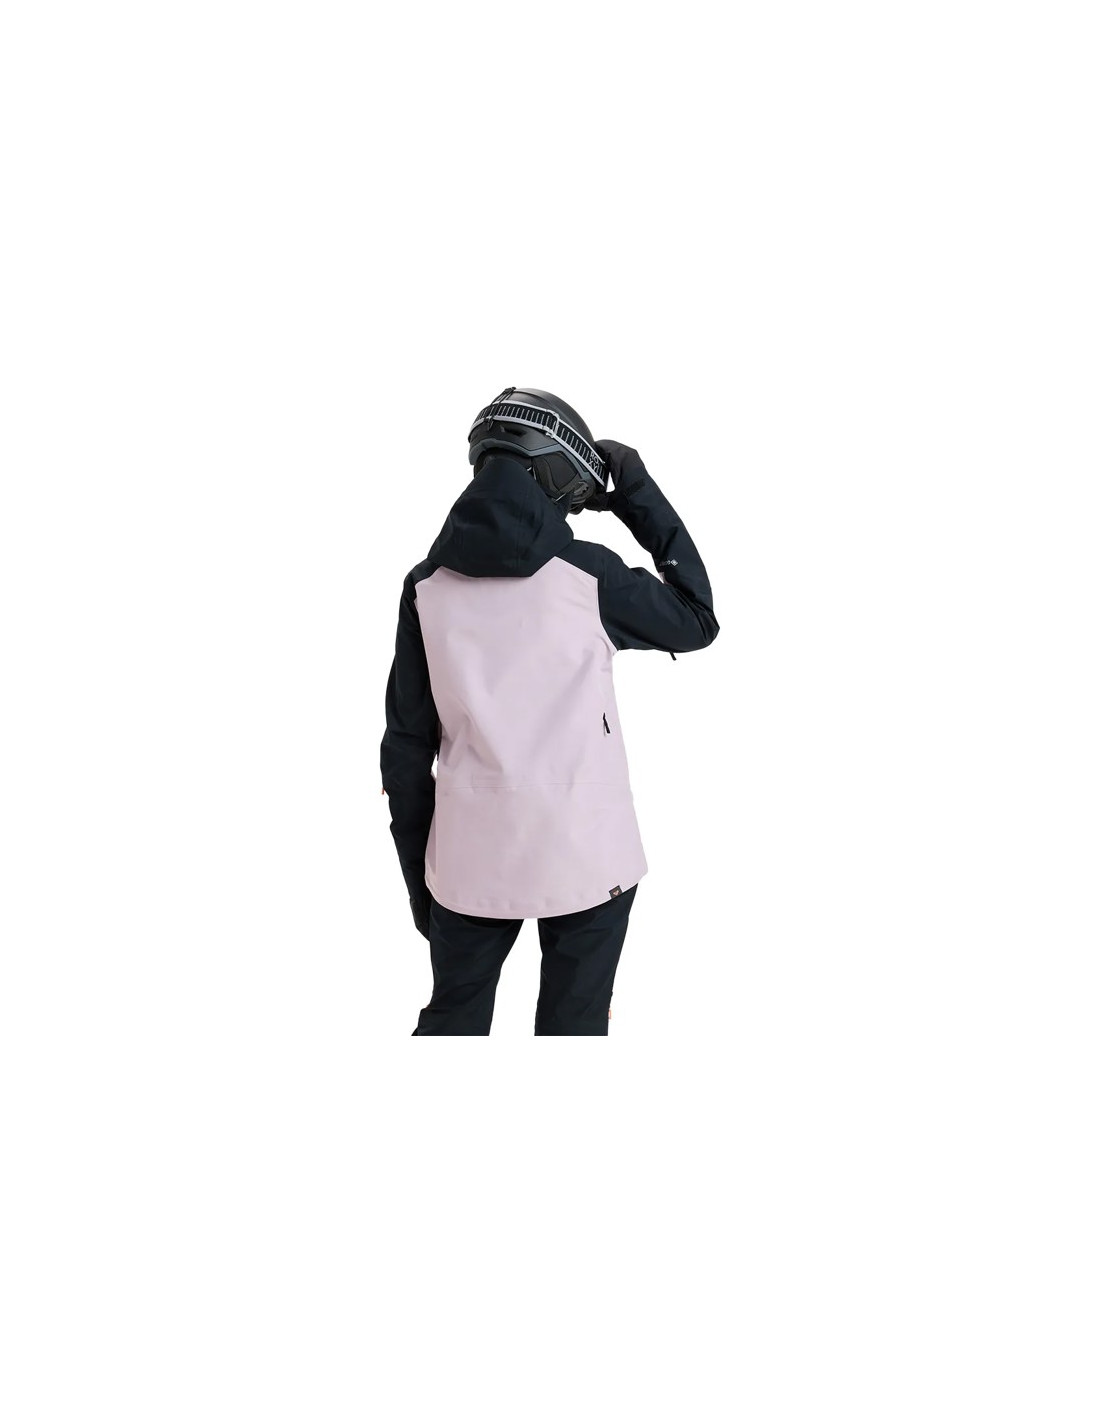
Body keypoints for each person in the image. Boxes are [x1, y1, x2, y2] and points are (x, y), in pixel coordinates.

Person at [380, 387, 719, 1035]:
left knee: (452, 1024)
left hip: (467, 861)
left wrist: (421, 882)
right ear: (556, 474)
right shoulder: (589, 575)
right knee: (573, 1030)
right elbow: (697, 618)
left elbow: (404, 747)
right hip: (587, 856)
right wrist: (636, 495)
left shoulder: (425, 587)